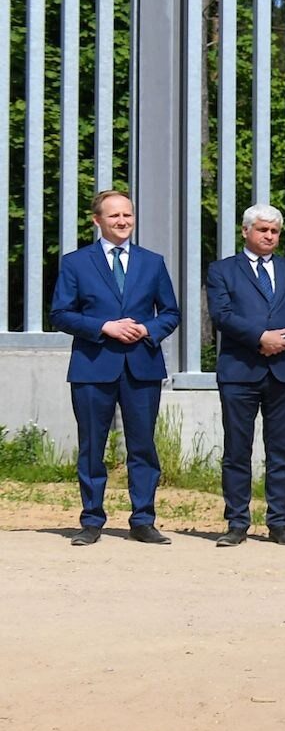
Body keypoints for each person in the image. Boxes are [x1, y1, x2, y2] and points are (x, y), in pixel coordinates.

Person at [49, 189, 181, 546]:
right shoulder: (76, 263)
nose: (123, 222)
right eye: (114, 216)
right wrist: (102, 327)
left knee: (142, 446)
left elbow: (170, 312)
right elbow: (60, 313)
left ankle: (143, 519)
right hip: (93, 365)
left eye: (128, 215)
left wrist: (148, 330)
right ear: (97, 221)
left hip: (142, 366)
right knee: (93, 445)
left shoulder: (151, 262)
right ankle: (92, 520)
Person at [204, 203, 285, 546]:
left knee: (280, 451)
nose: (269, 236)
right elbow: (221, 314)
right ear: (245, 231)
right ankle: (237, 522)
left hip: (284, 372)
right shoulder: (223, 270)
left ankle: (280, 522)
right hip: (240, 372)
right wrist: (259, 337)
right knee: (237, 450)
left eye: (274, 231)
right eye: (263, 230)